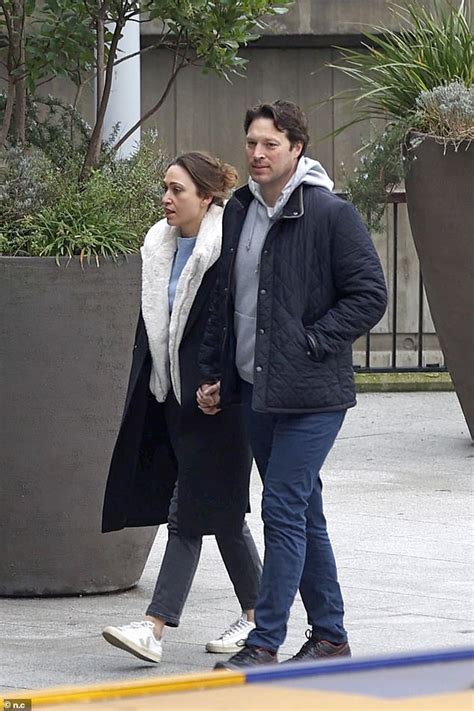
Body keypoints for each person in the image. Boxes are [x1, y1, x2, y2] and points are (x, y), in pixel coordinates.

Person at [197, 100, 387, 669]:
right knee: (304, 514)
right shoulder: (237, 213)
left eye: (270, 145)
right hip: (258, 392)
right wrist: (215, 373)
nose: (256, 154)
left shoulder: (329, 213)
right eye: (252, 143)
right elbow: (225, 301)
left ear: (296, 148)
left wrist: (310, 342)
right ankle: (330, 636)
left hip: (313, 395)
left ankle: (264, 640)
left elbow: (369, 295)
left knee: (281, 509)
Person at [101, 151, 262, 664]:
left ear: (207, 196)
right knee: (225, 515)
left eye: (178, 190)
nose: (167, 199)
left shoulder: (226, 250)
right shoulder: (161, 247)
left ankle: (154, 625)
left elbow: (237, 324)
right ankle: (260, 616)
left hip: (218, 404)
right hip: (173, 399)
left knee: (187, 513)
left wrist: (221, 382)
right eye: (164, 189)